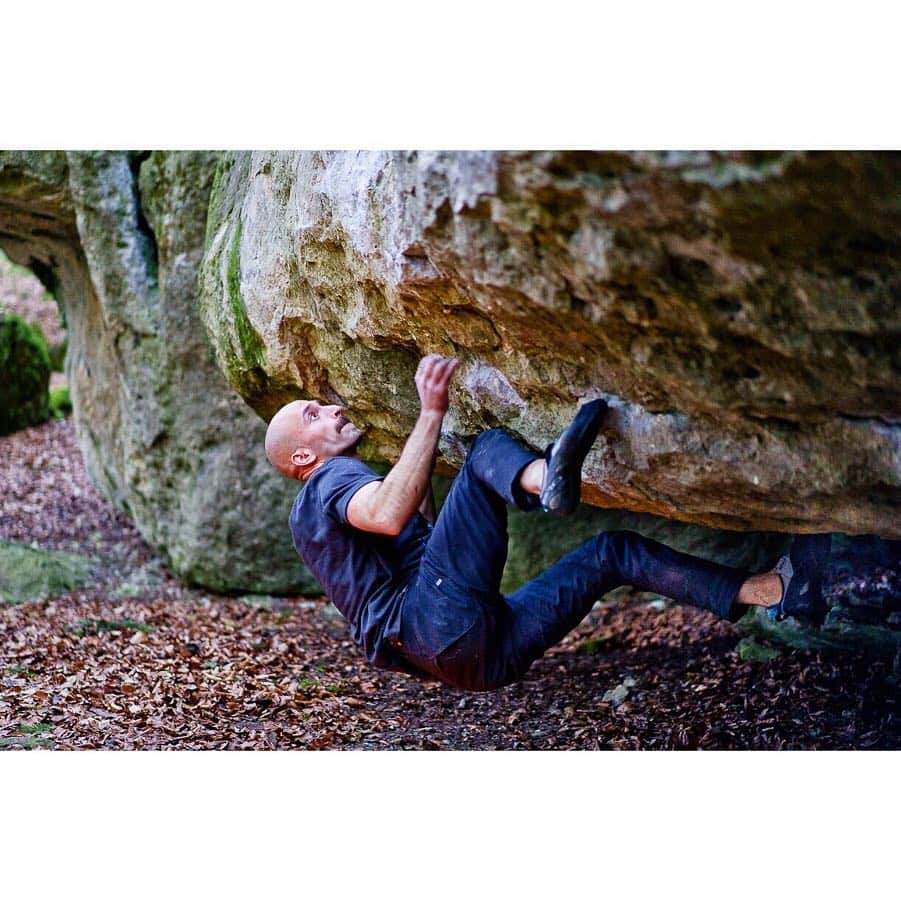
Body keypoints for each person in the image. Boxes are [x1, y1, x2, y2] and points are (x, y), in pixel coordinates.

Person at [265, 354, 827, 692]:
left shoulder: (314, 522)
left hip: (471, 663)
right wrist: (432, 410)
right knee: (485, 449)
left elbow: (409, 529)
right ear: (301, 460)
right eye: (312, 415)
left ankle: (773, 592)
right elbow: (387, 515)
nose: (332, 409)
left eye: (322, 403)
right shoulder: (327, 482)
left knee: (613, 553)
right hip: (435, 619)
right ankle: (546, 477)